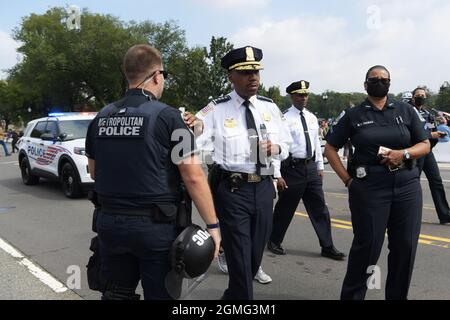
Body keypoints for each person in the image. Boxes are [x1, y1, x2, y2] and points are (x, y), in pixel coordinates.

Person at [85, 44, 220, 300]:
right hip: (155, 228)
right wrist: (213, 226)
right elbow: (192, 176)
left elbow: (94, 172)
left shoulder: (101, 116)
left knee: (116, 294)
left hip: (109, 224)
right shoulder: (170, 117)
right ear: (157, 75)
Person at [194, 46, 292, 300]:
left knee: (253, 257)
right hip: (233, 190)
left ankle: (232, 299)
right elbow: (194, 139)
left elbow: (287, 146)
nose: (254, 78)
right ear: (231, 77)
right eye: (246, 72)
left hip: (263, 189)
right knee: (238, 256)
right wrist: (193, 128)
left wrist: (276, 147)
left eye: (256, 72)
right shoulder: (216, 109)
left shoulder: (270, 108)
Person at [325, 65, 430, 300]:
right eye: (375, 79)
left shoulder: (405, 110)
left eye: (384, 79)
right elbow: (331, 148)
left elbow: (425, 144)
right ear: (365, 84)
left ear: (390, 84)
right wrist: (347, 180)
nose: (379, 82)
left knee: (405, 247)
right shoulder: (354, 115)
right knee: (367, 247)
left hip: (406, 185)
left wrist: (403, 154)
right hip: (369, 188)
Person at [267, 80, 345, 261]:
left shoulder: (311, 117)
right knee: (285, 208)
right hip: (291, 168)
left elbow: (317, 143)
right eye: (300, 95)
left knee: (320, 209)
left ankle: (327, 246)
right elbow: (279, 146)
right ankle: (274, 240)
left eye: (306, 95)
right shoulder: (284, 118)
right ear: (292, 96)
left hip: (310, 169)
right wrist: (277, 175)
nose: (304, 98)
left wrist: (319, 166)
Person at [411, 87, 450, 224]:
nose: (421, 97)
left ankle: (445, 215)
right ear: (413, 97)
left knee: (436, 181)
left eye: (423, 95)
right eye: (418, 95)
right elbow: (409, 133)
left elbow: (432, 130)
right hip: (415, 151)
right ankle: (410, 214)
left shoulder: (427, 113)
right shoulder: (408, 112)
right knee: (412, 184)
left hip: (427, 152)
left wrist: (436, 135)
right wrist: (430, 135)